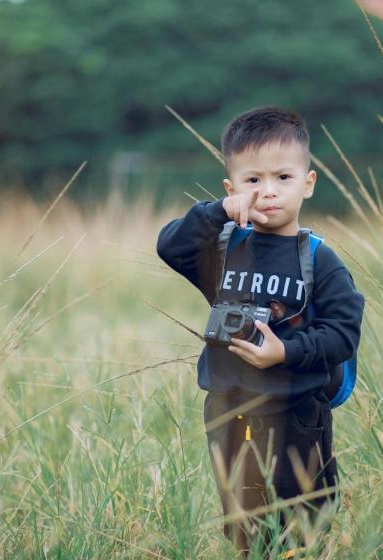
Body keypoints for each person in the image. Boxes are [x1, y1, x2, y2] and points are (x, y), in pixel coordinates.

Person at [155, 106, 365, 558]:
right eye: (253, 180)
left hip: (297, 413)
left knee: (302, 526)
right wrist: (218, 213)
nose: (268, 191)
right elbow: (169, 246)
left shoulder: (320, 260)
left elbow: (343, 335)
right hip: (228, 410)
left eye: (283, 178)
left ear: (307, 183)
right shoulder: (223, 248)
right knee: (245, 529)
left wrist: (284, 352)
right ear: (232, 189)